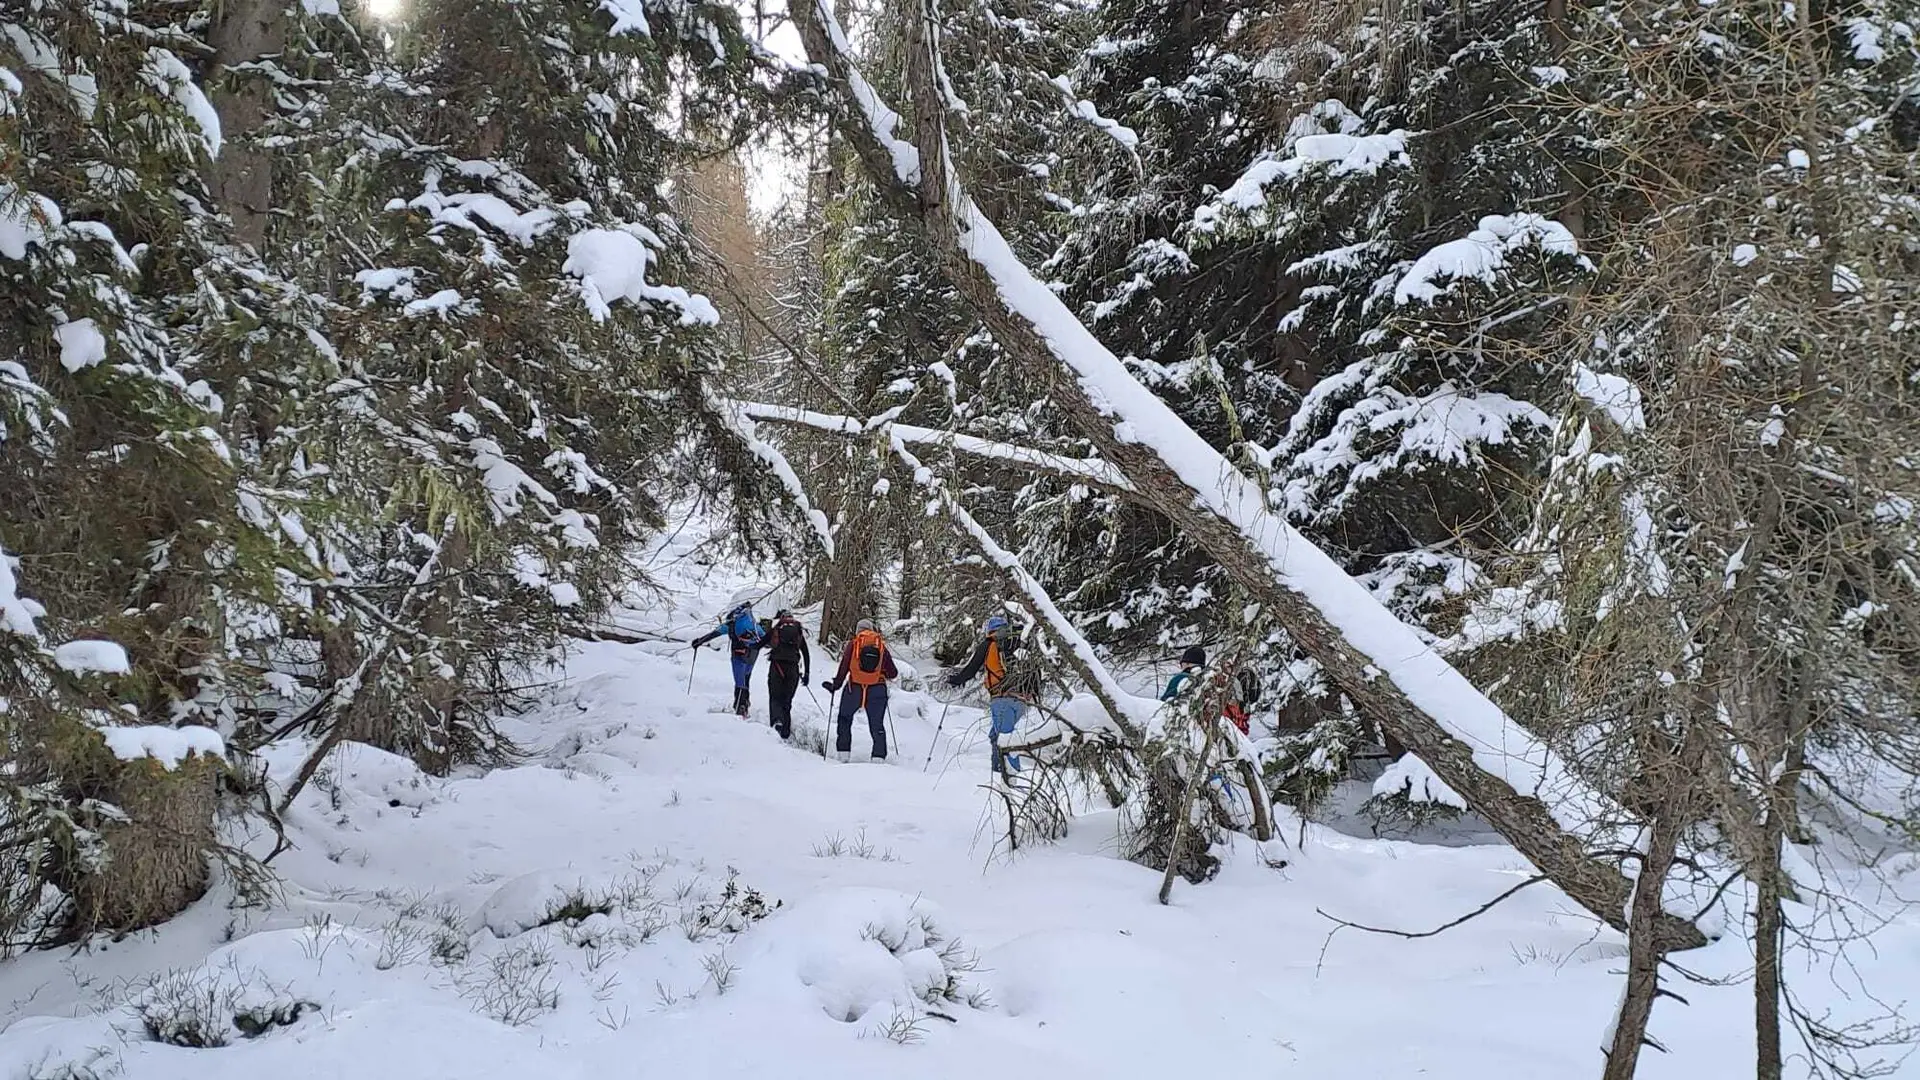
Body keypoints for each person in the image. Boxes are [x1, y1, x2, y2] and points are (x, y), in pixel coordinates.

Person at [946, 615, 1036, 774]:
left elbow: (971, 669)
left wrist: (955, 680)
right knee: (996, 736)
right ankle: (997, 771)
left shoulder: (989, 644)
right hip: (1022, 699)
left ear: (990, 630)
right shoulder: (1018, 642)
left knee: (1006, 740)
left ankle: (1012, 777)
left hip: (1002, 697)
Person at [822, 618, 897, 762]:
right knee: (877, 724)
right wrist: (881, 674)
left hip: (854, 689)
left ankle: (843, 754)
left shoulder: (854, 644)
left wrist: (835, 685)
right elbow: (893, 673)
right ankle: (878, 758)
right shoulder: (880, 646)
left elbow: (844, 667)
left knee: (844, 718)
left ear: (858, 631)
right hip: (877, 690)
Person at [692, 601, 767, 717]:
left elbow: (715, 633)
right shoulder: (753, 624)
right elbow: (765, 639)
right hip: (752, 655)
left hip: (738, 654)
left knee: (739, 682)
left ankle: (739, 708)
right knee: (746, 678)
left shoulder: (731, 624)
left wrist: (699, 641)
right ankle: (745, 703)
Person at [763, 608, 811, 740]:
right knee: (787, 699)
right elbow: (806, 654)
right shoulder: (798, 631)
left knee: (775, 696)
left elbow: (761, 643)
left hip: (777, 666)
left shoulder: (777, 628)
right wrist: (807, 673)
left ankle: (776, 724)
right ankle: (785, 731)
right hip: (793, 669)